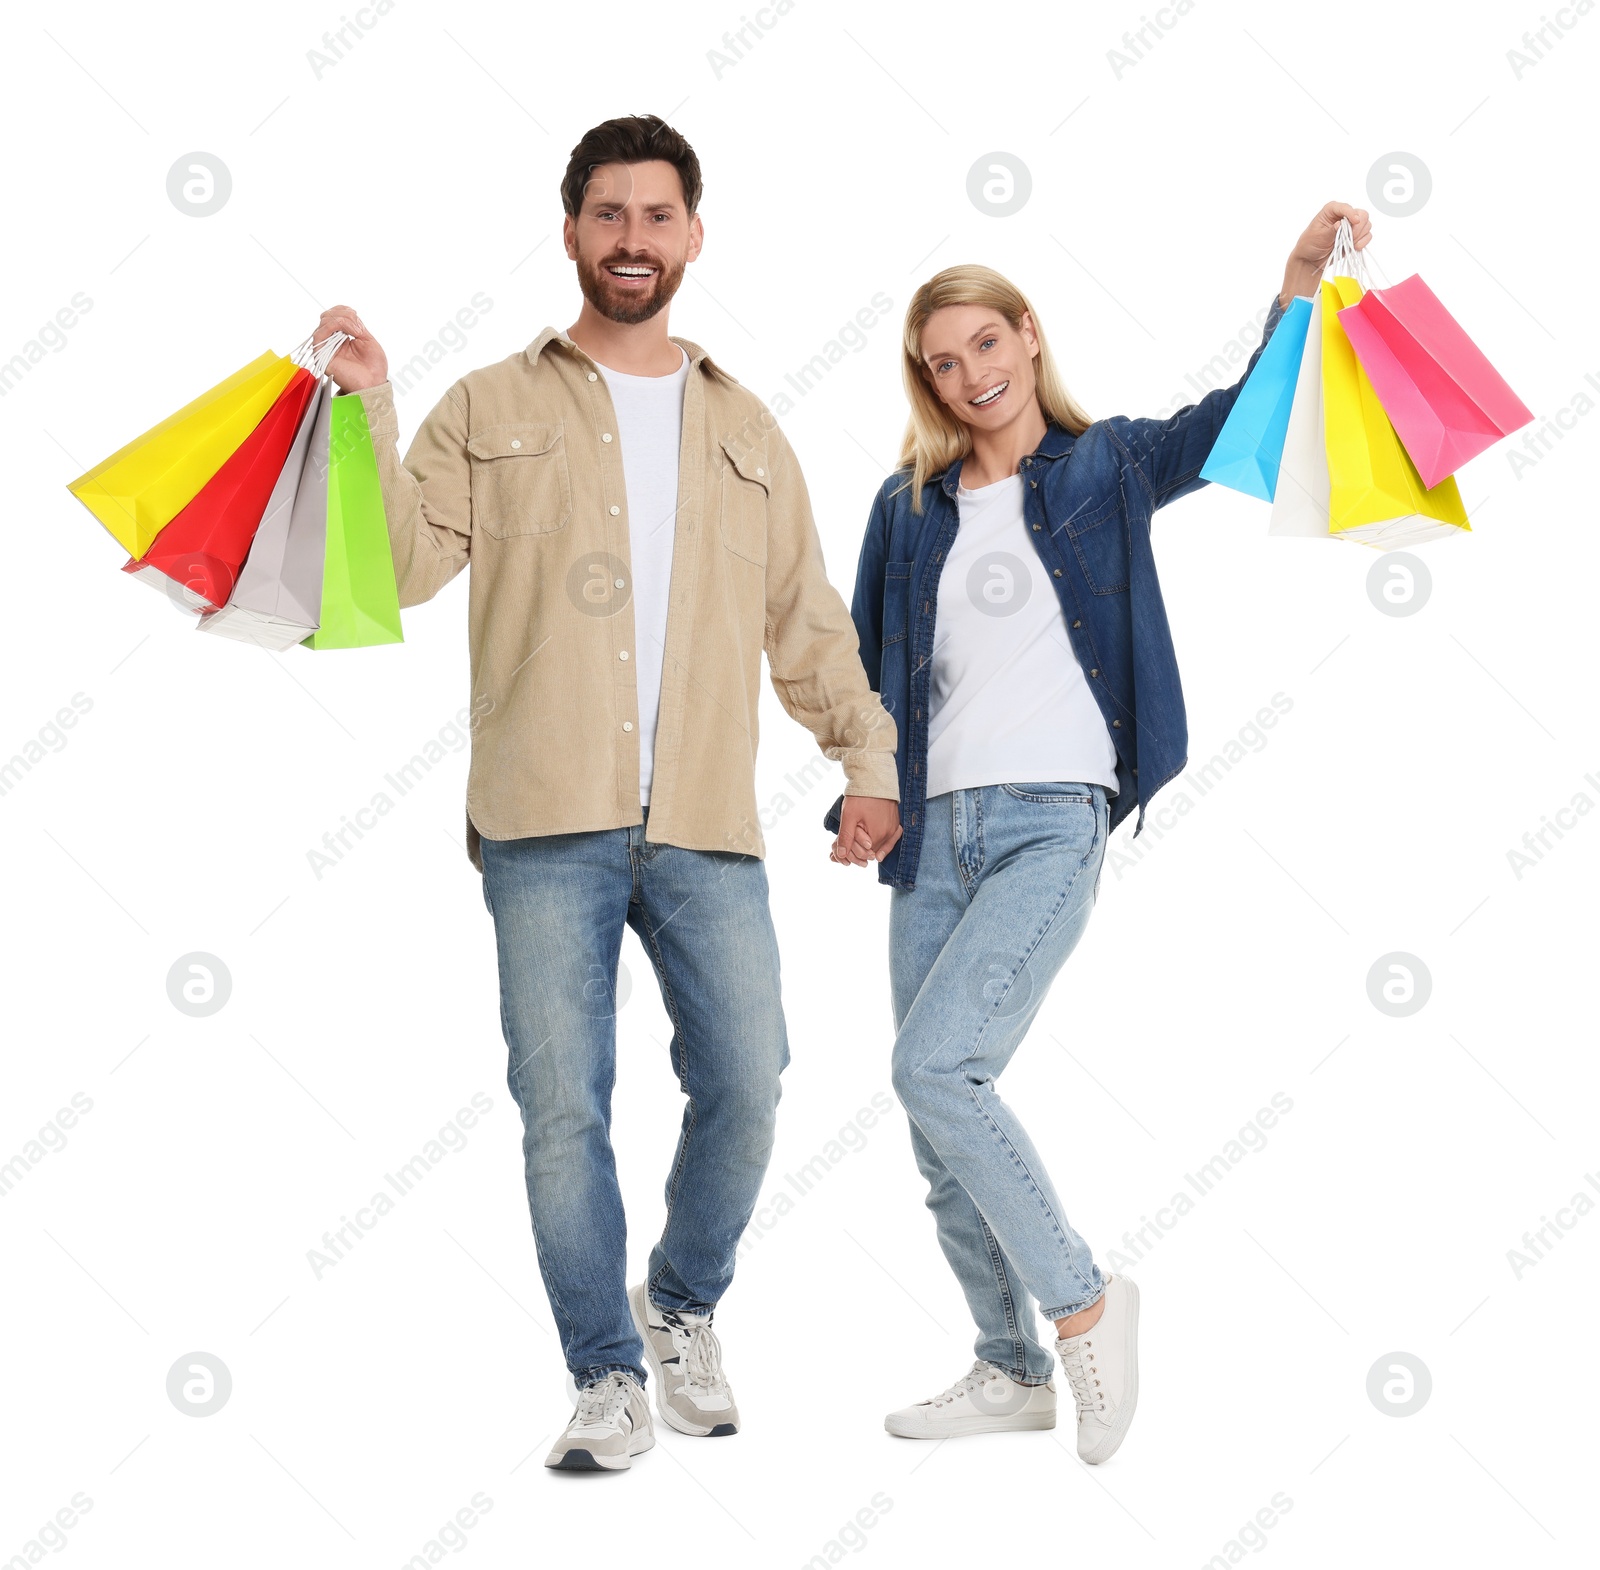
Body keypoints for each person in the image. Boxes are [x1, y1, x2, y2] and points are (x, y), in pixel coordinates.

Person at [315, 114, 902, 1471]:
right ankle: (605, 1372)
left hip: (704, 821)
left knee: (750, 1081)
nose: (632, 240)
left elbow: (807, 623)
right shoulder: (489, 405)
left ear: (693, 235)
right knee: (563, 1103)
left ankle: (682, 1299)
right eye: (609, 215)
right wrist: (368, 402)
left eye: (657, 216)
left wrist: (865, 760)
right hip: (542, 822)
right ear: (571, 228)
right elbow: (401, 570)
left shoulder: (749, 427)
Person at [823, 201, 1371, 1463]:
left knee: (933, 1069)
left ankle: (1082, 1304)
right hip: (929, 835)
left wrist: (1293, 285)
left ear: (1027, 333)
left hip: (1048, 818)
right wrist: (866, 792)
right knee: (935, 1119)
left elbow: (1245, 421)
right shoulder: (905, 506)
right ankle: (1007, 1368)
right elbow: (867, 671)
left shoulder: (1107, 463)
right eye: (942, 364)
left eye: (982, 345)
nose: (969, 377)